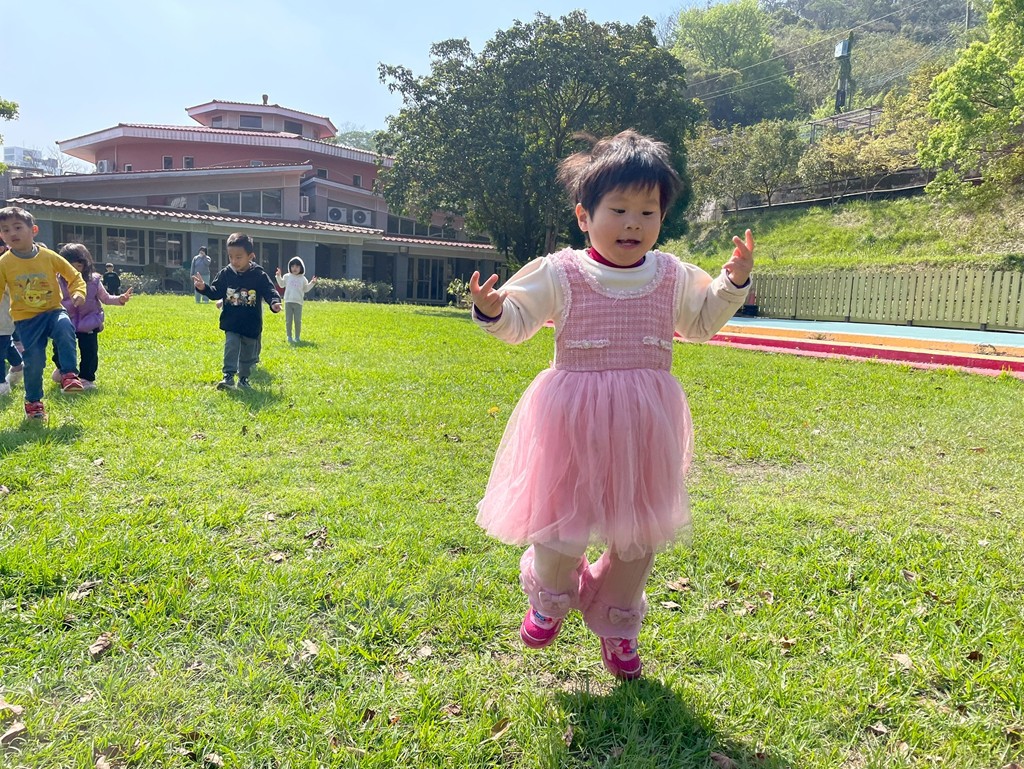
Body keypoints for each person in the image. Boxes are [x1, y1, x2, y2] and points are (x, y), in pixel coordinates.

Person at [469, 130, 754, 680]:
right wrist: (493, 309)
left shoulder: (670, 274)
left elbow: (699, 324)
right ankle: (551, 596)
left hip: (644, 424)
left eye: (648, 212)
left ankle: (617, 621)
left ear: (662, 218)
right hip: (571, 420)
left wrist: (731, 282)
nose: (633, 224)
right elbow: (518, 322)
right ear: (584, 215)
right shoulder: (561, 272)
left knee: (638, 533)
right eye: (619, 210)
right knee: (560, 522)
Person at [0, 206, 88, 419]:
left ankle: (69, 374)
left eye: (17, 227)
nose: (12, 233)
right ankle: (33, 402)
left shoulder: (49, 256)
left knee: (64, 326)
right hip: (26, 320)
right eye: (5, 229)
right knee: (34, 362)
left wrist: (78, 293)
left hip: (52, 310)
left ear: (34, 230)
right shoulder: (4, 263)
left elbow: (74, 276)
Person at [193, 232, 281, 389]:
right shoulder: (226, 274)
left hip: (251, 324)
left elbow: (269, 290)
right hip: (231, 322)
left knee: (248, 354)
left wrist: (274, 302)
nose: (234, 261)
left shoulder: (258, 275)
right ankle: (228, 376)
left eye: (239, 257)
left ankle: (244, 379)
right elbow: (215, 292)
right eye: (230, 257)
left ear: (250, 256)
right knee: (231, 347)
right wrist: (203, 288)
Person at [49, 244, 132, 389]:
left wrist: (120, 299)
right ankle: (64, 370)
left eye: (79, 266)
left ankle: (86, 378)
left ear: (85, 265)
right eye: (69, 266)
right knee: (59, 348)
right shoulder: (57, 281)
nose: (74, 270)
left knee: (90, 352)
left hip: (89, 322)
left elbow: (106, 298)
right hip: (65, 322)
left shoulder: (93, 281)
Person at [275, 256, 317, 343]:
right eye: (293, 266)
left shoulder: (303, 279)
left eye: (297, 266)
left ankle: (297, 337)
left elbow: (306, 289)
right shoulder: (287, 276)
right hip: (288, 301)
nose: (295, 268)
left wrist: (312, 283)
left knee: (298, 321)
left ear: (301, 268)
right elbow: (281, 284)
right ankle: (289, 336)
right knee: (288, 320)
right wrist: (278, 276)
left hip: (298, 302)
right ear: (290, 267)